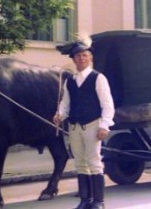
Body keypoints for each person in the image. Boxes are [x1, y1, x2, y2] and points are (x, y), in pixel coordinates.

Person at [54, 39, 115, 209]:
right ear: (73, 59)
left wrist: (104, 125)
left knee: (94, 161)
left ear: (90, 58)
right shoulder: (70, 81)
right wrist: (60, 114)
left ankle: (98, 201)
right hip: (74, 127)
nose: (81, 58)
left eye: (85, 55)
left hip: (93, 125)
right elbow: (66, 103)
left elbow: (107, 104)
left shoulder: (98, 78)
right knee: (80, 163)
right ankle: (85, 200)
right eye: (78, 56)